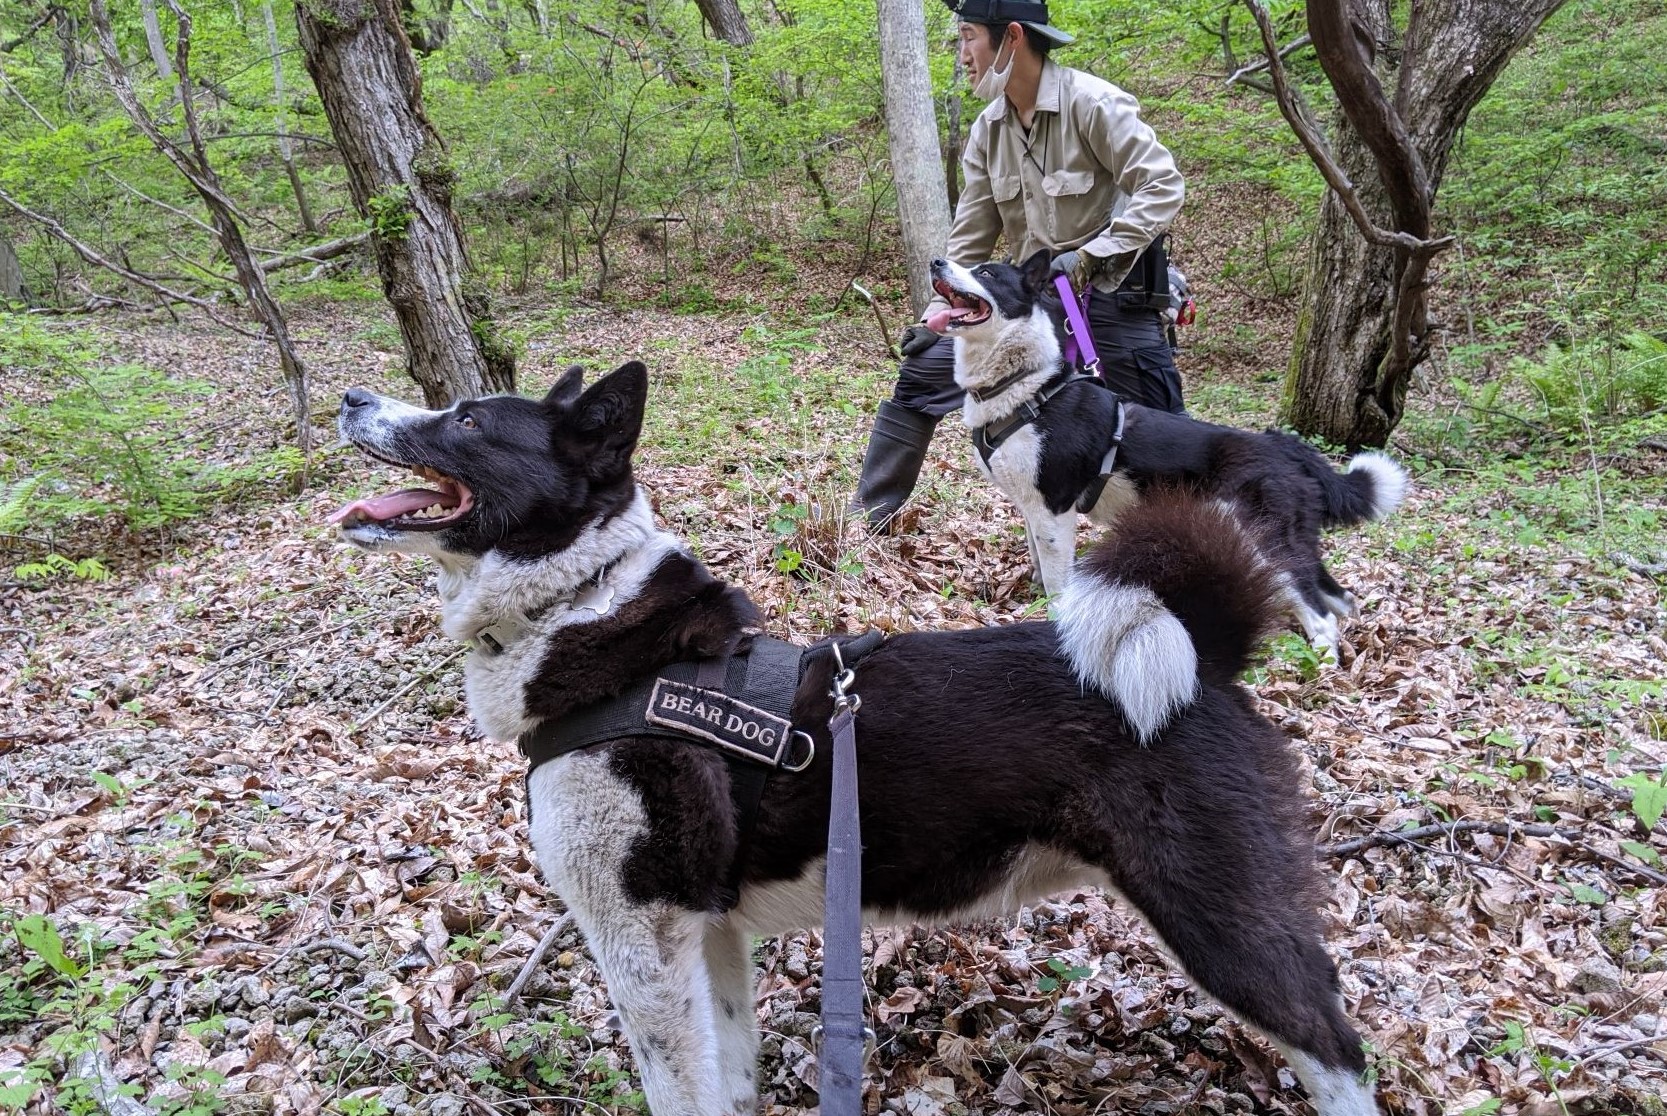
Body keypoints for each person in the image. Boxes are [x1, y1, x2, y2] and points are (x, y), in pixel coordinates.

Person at [852, 0, 1186, 531]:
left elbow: (1163, 185)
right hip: (1028, 305)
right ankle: (866, 522)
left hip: (1111, 296)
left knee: (1168, 442)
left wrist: (1090, 256)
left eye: (968, 38)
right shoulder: (988, 130)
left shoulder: (1093, 104)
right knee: (922, 372)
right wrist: (937, 313)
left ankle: (1201, 557)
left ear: (1011, 37)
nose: (962, 54)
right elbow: (971, 237)